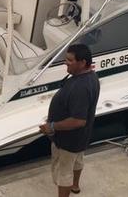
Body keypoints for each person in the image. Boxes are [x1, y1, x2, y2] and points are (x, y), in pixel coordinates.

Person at [39, 44, 100, 197]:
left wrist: (51, 126)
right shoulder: (92, 76)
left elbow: (78, 121)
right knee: (78, 160)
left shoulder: (80, 87)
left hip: (68, 141)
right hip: (81, 138)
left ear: (83, 63)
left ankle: (68, 189)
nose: (65, 62)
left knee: (63, 173)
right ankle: (75, 186)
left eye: (70, 60)